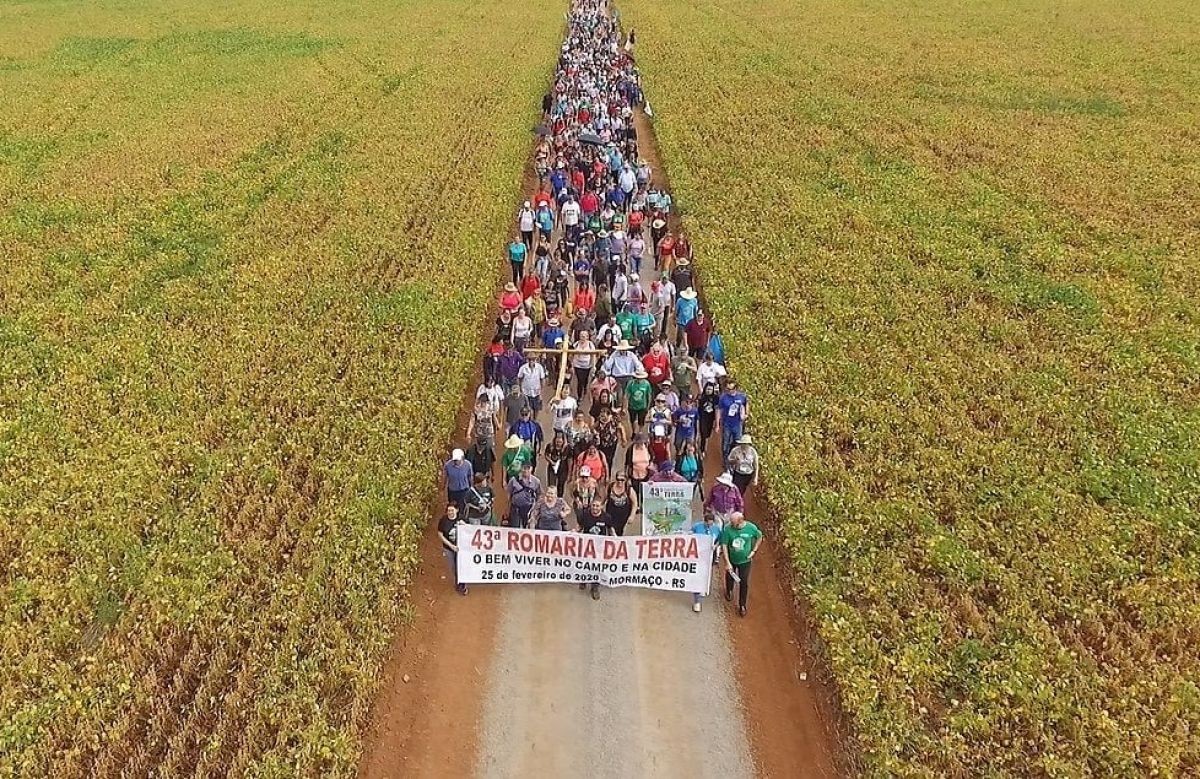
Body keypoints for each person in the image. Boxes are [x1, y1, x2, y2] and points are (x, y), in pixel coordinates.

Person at [720, 511, 763, 617]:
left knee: (744, 582)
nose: (731, 524)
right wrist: (727, 562)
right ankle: (729, 590)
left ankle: (742, 605)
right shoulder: (728, 529)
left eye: (733, 522)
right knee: (730, 576)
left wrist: (754, 551)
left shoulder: (751, 528)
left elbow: (759, 537)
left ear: (740, 521)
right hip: (732, 559)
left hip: (745, 561)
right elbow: (724, 545)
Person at [578, 499, 615, 600]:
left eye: (597, 506)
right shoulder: (585, 515)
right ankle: (583, 580)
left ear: (601, 507)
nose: (595, 508)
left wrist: (616, 539)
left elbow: (610, 529)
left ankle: (595, 587)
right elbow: (580, 527)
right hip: (587, 545)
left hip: (600, 546)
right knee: (585, 564)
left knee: (597, 566)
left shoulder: (606, 517)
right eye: (593, 505)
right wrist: (573, 532)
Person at [691, 512, 721, 612]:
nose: (709, 525)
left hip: (709, 556)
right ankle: (697, 601)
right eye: (707, 524)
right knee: (698, 575)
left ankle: (704, 587)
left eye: (711, 524)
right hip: (698, 555)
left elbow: (720, 539)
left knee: (705, 573)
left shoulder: (716, 529)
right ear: (704, 521)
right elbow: (689, 537)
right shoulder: (697, 527)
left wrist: (716, 546)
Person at [438, 504, 467, 595]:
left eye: (452, 510)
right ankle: (458, 580)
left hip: (460, 548)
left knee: (461, 566)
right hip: (449, 548)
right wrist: (451, 546)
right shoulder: (443, 520)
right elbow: (440, 534)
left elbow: (470, 532)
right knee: (453, 566)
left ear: (457, 510)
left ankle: (461, 585)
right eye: (448, 511)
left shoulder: (461, 518)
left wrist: (465, 525)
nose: (450, 512)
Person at [718, 378, 749, 462]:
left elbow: (746, 403)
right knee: (726, 443)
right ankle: (725, 461)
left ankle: (736, 459)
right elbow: (719, 410)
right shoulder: (723, 398)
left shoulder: (741, 396)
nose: (729, 391)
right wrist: (717, 423)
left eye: (731, 389)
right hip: (726, 423)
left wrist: (746, 414)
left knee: (738, 442)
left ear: (735, 388)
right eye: (728, 389)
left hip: (737, 423)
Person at [506, 461, 541, 528]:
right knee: (515, 528)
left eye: (528, 468)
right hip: (516, 508)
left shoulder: (536, 481)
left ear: (531, 469)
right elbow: (509, 493)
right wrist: (508, 507)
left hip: (529, 509)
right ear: (521, 468)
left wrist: (536, 508)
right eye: (524, 468)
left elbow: (539, 494)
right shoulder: (513, 480)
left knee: (528, 528)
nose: (525, 470)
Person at [543, 429, 571, 496]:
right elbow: (546, 455)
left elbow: (569, 459)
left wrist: (570, 472)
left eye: (560, 442)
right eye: (557, 442)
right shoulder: (550, 446)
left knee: (561, 485)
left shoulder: (567, 448)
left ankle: (559, 499)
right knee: (551, 485)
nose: (558, 444)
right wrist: (551, 461)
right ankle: (551, 497)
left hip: (563, 469)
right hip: (552, 468)